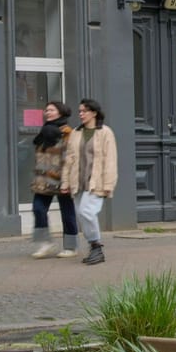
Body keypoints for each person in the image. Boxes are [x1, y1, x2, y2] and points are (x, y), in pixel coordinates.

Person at [60, 98, 117, 266]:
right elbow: (69, 159)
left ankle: (97, 246)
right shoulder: (76, 133)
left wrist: (108, 184)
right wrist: (65, 183)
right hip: (78, 182)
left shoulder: (105, 132)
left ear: (94, 113)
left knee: (87, 212)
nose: (81, 114)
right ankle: (94, 248)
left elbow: (111, 160)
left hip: (97, 182)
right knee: (81, 215)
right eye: (79, 111)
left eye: (84, 111)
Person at [30, 101, 79, 258]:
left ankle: (71, 247)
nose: (47, 112)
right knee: (38, 208)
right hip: (44, 179)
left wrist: (68, 180)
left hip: (62, 178)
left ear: (61, 112)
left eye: (51, 110)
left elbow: (71, 157)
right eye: (46, 110)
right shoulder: (45, 132)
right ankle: (46, 243)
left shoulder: (68, 133)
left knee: (67, 213)